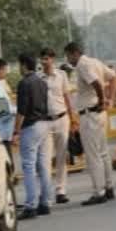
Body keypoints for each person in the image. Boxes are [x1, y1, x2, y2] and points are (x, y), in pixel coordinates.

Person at [64, 42, 116, 205]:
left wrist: (103, 99)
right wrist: (110, 99)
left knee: (93, 155)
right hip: (98, 113)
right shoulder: (94, 61)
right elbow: (113, 77)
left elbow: (96, 83)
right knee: (103, 153)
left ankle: (98, 192)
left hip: (90, 113)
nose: (68, 59)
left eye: (68, 55)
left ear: (75, 53)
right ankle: (108, 187)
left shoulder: (82, 65)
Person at [13, 55, 52, 219]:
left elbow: (21, 110)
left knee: (29, 167)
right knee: (43, 166)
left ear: (24, 65)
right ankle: (46, 202)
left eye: (19, 65)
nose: (19, 69)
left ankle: (31, 205)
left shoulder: (24, 83)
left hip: (30, 127)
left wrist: (16, 131)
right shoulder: (42, 82)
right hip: (44, 125)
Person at [40, 48, 74, 204]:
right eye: (42, 59)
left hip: (62, 118)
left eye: (46, 58)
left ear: (52, 59)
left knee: (61, 157)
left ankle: (61, 190)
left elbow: (67, 97)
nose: (44, 61)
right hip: (44, 121)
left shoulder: (62, 75)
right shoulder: (37, 78)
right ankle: (46, 193)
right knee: (45, 159)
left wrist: (73, 119)